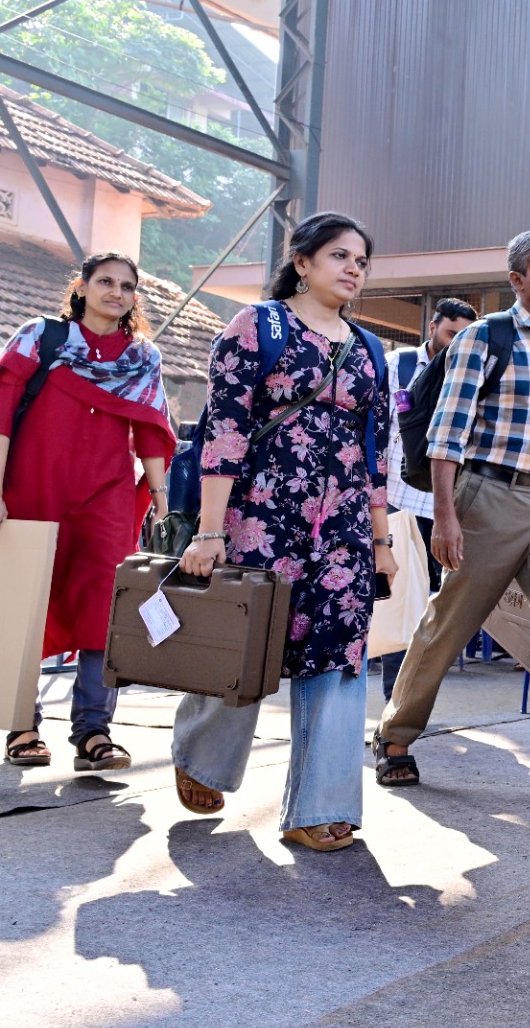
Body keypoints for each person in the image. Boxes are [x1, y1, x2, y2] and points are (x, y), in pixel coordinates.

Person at [170, 212, 396, 854]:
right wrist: (209, 533)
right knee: (246, 642)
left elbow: (375, 453)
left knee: (338, 655)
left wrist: (380, 542)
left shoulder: (371, 349)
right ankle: (203, 757)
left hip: (344, 530)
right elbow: (222, 433)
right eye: (340, 256)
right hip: (260, 518)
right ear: (302, 262)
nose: (354, 268)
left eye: (362, 260)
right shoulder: (257, 327)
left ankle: (318, 804)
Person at [376, 229, 530, 805]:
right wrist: (445, 516)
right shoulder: (484, 338)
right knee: (450, 625)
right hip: (487, 499)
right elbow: (445, 437)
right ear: (517, 279)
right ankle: (394, 737)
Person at [0, 253, 176, 773]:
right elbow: (0, 416)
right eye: (105, 281)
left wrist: (160, 495)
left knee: (102, 605)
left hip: (105, 494)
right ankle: (21, 724)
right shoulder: (40, 338)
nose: (117, 292)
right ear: (81, 287)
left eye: (127, 286)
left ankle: (93, 731)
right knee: (26, 601)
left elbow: (150, 429)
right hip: (32, 485)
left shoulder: (141, 357)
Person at [379, 297, 478, 700]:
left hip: (442, 506)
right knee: (396, 594)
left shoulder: (469, 374)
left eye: (464, 337)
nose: (456, 343)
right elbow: (377, 426)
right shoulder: (398, 365)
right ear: (434, 325)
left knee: (434, 601)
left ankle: (418, 690)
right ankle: (393, 694)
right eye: (451, 333)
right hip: (395, 499)